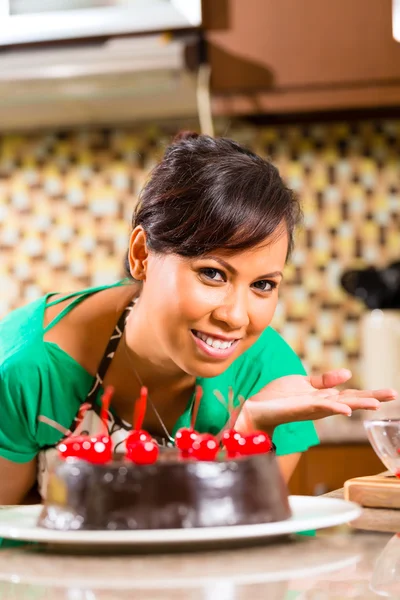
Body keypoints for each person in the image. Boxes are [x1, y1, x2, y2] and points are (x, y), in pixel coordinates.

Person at [0, 132, 396, 505]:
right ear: (141, 255)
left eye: (262, 285)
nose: (235, 316)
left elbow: (242, 540)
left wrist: (252, 428)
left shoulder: (269, 379)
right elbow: (9, 536)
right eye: (212, 273)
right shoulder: (30, 368)